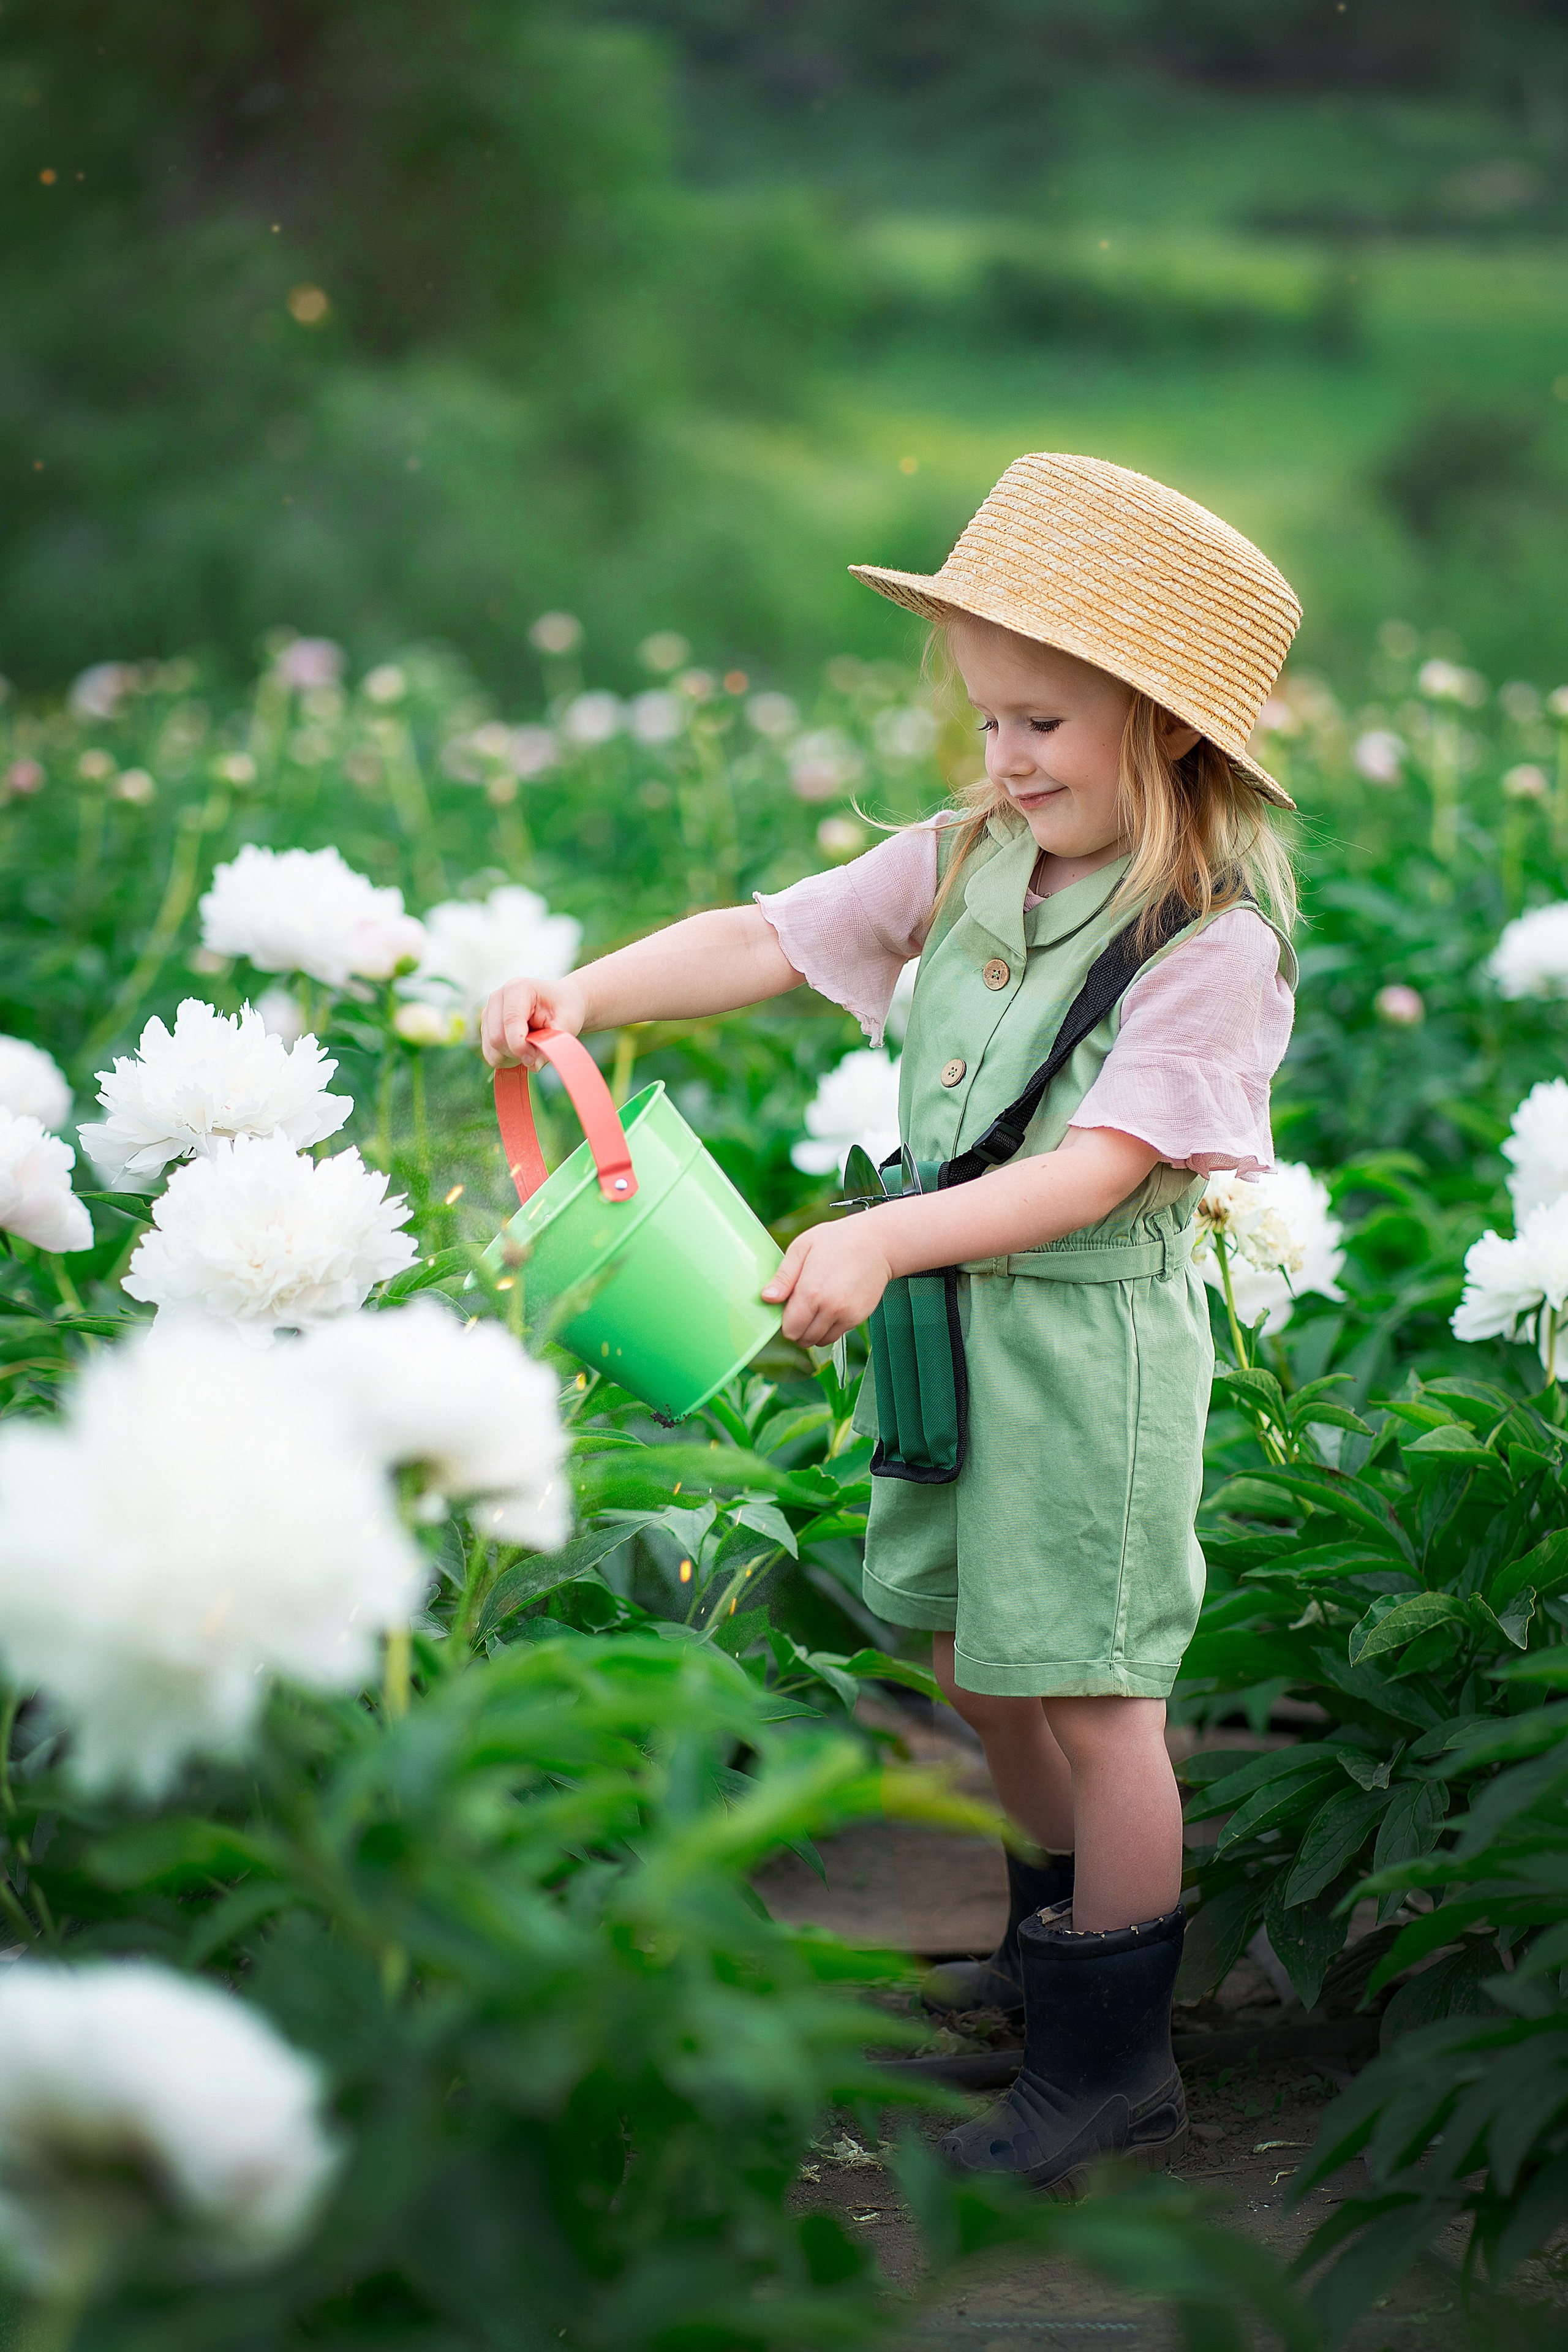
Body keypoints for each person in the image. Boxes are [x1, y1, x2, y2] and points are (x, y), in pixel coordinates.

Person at [483, 452, 1300, 2193]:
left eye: (1044, 728)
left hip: (1088, 1350)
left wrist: (886, 1233)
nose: (1004, 761)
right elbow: (774, 936)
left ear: (1165, 729)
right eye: (991, 721)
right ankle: (1048, 1936)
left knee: (1095, 1691)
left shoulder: (1208, 946)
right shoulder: (971, 857)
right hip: (952, 1336)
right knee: (960, 1654)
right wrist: (586, 990)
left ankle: (1116, 2057)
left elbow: (1096, 1171)